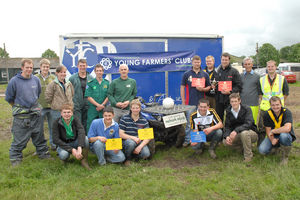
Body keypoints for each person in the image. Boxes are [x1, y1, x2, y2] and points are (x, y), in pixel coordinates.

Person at [5, 59, 51, 166]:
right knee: (19, 138)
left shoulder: (35, 80)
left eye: (31, 67)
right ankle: (15, 158)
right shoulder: (14, 81)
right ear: (22, 68)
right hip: (21, 116)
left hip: (35, 113)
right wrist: (19, 109)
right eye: (27, 67)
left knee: (39, 136)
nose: (29, 69)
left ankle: (43, 153)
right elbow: (9, 98)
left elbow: (38, 93)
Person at [180, 55, 211, 147]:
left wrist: (203, 89)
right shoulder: (186, 74)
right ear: (192, 62)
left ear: (200, 63)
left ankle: (201, 139)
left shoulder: (204, 74)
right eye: (195, 62)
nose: (197, 64)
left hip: (202, 104)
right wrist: (183, 100)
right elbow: (182, 87)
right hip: (190, 103)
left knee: (202, 122)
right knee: (190, 123)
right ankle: (187, 140)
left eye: (198, 62)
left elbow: (209, 87)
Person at [258, 60, 289, 145]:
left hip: (277, 109)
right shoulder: (261, 79)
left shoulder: (282, 79)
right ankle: (260, 145)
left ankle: (278, 145)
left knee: (277, 127)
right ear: (266, 68)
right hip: (265, 108)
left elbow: (286, 93)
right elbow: (260, 94)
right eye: (269, 66)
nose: (270, 68)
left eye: (272, 66)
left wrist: (277, 104)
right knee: (262, 128)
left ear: (276, 67)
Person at [258, 96, 296, 165]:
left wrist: (273, 131)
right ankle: (276, 148)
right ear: (270, 105)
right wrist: (272, 139)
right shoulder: (267, 114)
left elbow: (287, 128)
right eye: (273, 105)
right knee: (262, 150)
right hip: (273, 136)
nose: (275, 107)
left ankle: (285, 157)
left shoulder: (286, 112)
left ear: (281, 104)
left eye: (277, 105)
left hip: (286, 135)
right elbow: (268, 130)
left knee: (283, 136)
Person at [52, 104, 91, 170]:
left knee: (86, 139)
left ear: (72, 113)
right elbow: (55, 139)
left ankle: (84, 161)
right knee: (64, 155)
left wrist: (79, 147)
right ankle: (65, 160)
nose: (66, 114)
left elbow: (81, 132)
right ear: (61, 113)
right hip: (64, 144)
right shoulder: (56, 122)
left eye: (69, 112)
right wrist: (72, 150)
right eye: (64, 112)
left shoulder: (76, 120)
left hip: (74, 142)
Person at [223, 93, 258, 162]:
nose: (234, 103)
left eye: (235, 101)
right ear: (230, 102)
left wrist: (236, 131)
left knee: (244, 133)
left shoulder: (247, 108)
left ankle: (248, 156)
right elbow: (227, 126)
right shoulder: (228, 110)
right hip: (237, 134)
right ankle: (242, 148)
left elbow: (249, 123)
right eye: (232, 101)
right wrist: (227, 136)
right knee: (225, 142)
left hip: (251, 133)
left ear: (239, 101)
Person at [119, 99, 151, 166]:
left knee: (146, 154)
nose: (135, 110)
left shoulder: (144, 120)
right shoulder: (124, 118)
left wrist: (140, 147)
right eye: (133, 108)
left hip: (139, 141)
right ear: (130, 108)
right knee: (131, 143)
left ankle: (135, 156)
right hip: (127, 141)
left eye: (137, 108)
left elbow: (148, 137)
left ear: (140, 108)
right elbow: (120, 134)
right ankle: (128, 159)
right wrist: (133, 138)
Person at [35, 58, 56, 150]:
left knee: (53, 127)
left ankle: (53, 144)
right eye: (44, 67)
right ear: (40, 67)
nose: (45, 68)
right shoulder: (35, 78)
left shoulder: (53, 78)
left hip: (51, 106)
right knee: (39, 128)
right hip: (39, 107)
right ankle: (41, 147)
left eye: (47, 67)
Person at [215, 52, 242, 122]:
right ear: (221, 60)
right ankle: (220, 132)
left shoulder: (234, 71)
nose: (224, 61)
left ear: (229, 60)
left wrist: (230, 92)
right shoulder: (217, 71)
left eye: (226, 60)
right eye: (223, 60)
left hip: (230, 100)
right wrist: (213, 86)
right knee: (218, 119)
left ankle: (230, 131)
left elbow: (239, 85)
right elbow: (215, 84)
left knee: (230, 118)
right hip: (219, 100)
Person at [69, 59, 93, 131]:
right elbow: (68, 92)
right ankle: (78, 139)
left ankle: (86, 139)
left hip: (87, 104)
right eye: (81, 66)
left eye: (84, 65)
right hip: (76, 104)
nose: (82, 67)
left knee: (86, 123)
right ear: (77, 66)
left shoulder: (91, 78)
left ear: (87, 66)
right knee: (77, 123)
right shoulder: (72, 78)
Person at [85, 64, 109, 132]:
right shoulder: (90, 83)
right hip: (93, 109)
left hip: (103, 109)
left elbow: (108, 96)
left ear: (103, 72)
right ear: (95, 72)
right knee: (90, 125)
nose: (99, 72)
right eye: (97, 71)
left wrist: (102, 105)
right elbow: (88, 97)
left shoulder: (107, 83)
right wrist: (98, 105)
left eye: (100, 71)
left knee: (104, 125)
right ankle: (90, 141)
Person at [240, 57, 260, 125]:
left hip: (253, 104)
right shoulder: (240, 76)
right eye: (246, 64)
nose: (247, 65)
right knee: (243, 122)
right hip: (242, 104)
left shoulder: (257, 77)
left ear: (252, 64)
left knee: (252, 123)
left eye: (249, 64)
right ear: (243, 65)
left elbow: (259, 90)